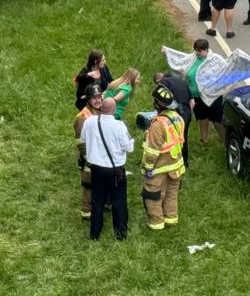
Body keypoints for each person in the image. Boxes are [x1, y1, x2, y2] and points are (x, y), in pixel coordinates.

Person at [81, 97, 133, 240]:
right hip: (116, 170)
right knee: (119, 201)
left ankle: (94, 234)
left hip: (96, 169)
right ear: (114, 109)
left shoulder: (90, 121)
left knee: (97, 201)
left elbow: (84, 139)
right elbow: (129, 147)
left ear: (101, 108)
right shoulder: (119, 126)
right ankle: (120, 234)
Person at [142, 85, 186, 230]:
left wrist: (147, 169)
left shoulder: (157, 125)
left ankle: (156, 223)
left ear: (156, 103)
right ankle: (171, 218)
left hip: (159, 168)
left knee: (153, 195)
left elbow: (152, 152)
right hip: (176, 165)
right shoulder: (178, 118)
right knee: (172, 194)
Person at [185, 38, 225, 145]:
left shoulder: (216, 59)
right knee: (202, 118)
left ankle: (225, 141)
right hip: (196, 96)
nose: (197, 53)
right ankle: (204, 140)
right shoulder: (193, 58)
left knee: (217, 120)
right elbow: (180, 61)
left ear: (206, 49)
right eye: (196, 50)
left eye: (199, 50)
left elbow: (226, 69)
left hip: (212, 97)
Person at [73, 84, 103, 218]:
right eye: (94, 98)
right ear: (88, 99)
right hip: (90, 158)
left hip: (102, 155)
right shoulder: (82, 117)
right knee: (89, 184)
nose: (98, 100)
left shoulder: (102, 110)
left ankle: (105, 203)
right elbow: (81, 142)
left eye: (99, 96)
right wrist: (89, 158)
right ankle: (87, 211)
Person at [153, 71, 194, 168]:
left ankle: (170, 161)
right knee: (183, 137)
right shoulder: (182, 81)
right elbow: (192, 102)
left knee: (170, 137)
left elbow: (160, 102)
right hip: (186, 112)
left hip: (174, 113)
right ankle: (184, 162)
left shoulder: (163, 83)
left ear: (158, 79)